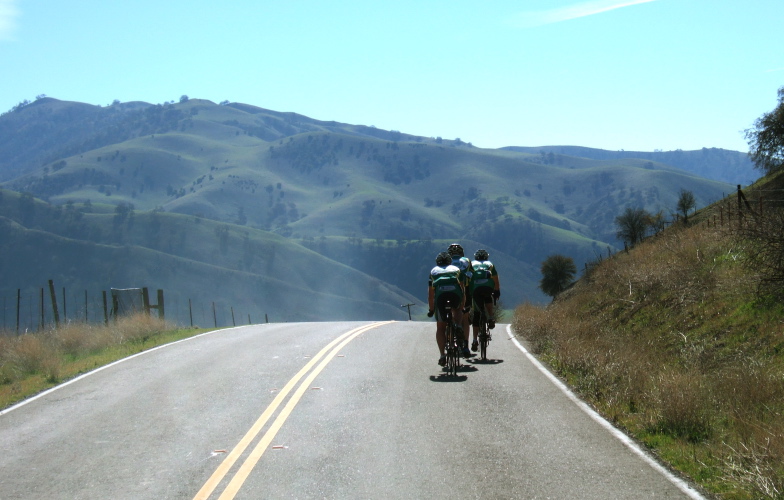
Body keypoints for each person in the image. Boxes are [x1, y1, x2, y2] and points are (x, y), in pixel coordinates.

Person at [427, 251, 465, 366]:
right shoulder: (457, 270)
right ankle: (458, 326)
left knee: (440, 327)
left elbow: (430, 294)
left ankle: (442, 355)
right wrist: (462, 305)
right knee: (457, 309)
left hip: (441, 297)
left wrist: (431, 309)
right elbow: (463, 290)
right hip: (455, 294)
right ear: (450, 261)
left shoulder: (433, 271)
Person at [469, 248, 501, 352]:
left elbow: (468, 279)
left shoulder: (472, 264)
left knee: (477, 314)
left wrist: (469, 293)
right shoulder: (490, 264)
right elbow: (495, 278)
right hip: (488, 287)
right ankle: (491, 317)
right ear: (486, 257)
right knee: (488, 297)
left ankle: (474, 340)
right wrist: (497, 291)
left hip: (476, 289)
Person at [447, 243, 474, 358]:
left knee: (450, 315)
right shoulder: (466, 260)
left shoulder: (446, 261)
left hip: (448, 290)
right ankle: (466, 346)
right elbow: (472, 275)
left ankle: (450, 343)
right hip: (464, 290)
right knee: (465, 318)